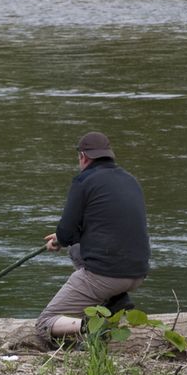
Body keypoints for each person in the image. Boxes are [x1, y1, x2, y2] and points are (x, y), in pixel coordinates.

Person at [35, 131, 150, 342]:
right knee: (75, 248)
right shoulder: (130, 180)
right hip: (138, 272)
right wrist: (62, 238)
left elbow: (67, 231)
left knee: (45, 323)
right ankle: (118, 300)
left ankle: (95, 325)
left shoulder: (84, 181)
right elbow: (93, 229)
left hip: (106, 275)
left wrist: (60, 239)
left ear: (83, 157)